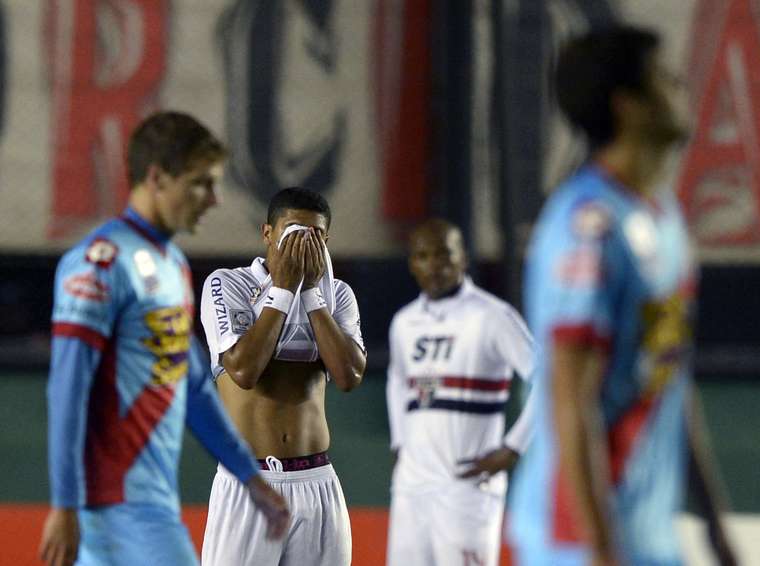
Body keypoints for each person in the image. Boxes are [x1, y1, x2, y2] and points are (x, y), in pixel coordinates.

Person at [508, 26, 737, 566]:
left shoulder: (664, 216)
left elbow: (667, 375)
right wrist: (602, 552)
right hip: (579, 541)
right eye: (663, 76)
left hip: (648, 535)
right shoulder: (586, 226)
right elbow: (571, 401)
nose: (680, 84)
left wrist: (714, 526)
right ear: (628, 105)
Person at [39, 111, 290, 566]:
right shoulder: (101, 263)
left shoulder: (171, 264)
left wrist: (250, 477)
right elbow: (67, 387)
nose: (212, 199)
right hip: (117, 508)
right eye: (200, 183)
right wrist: (64, 504)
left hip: (146, 502)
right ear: (156, 177)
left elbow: (192, 385)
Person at [199, 187, 367, 566]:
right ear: (268, 233)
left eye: (315, 236)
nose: (303, 244)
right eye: (292, 231)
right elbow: (243, 371)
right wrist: (282, 290)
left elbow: (348, 376)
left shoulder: (337, 295)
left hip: (317, 480)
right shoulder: (227, 285)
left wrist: (309, 293)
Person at [385, 218, 536, 566]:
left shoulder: (492, 316)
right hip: (413, 486)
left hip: (467, 486)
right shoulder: (405, 322)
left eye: (444, 255)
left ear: (463, 259)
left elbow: (546, 378)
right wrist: (399, 443)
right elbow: (397, 379)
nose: (434, 265)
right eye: (423, 256)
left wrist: (514, 448)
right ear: (412, 264)